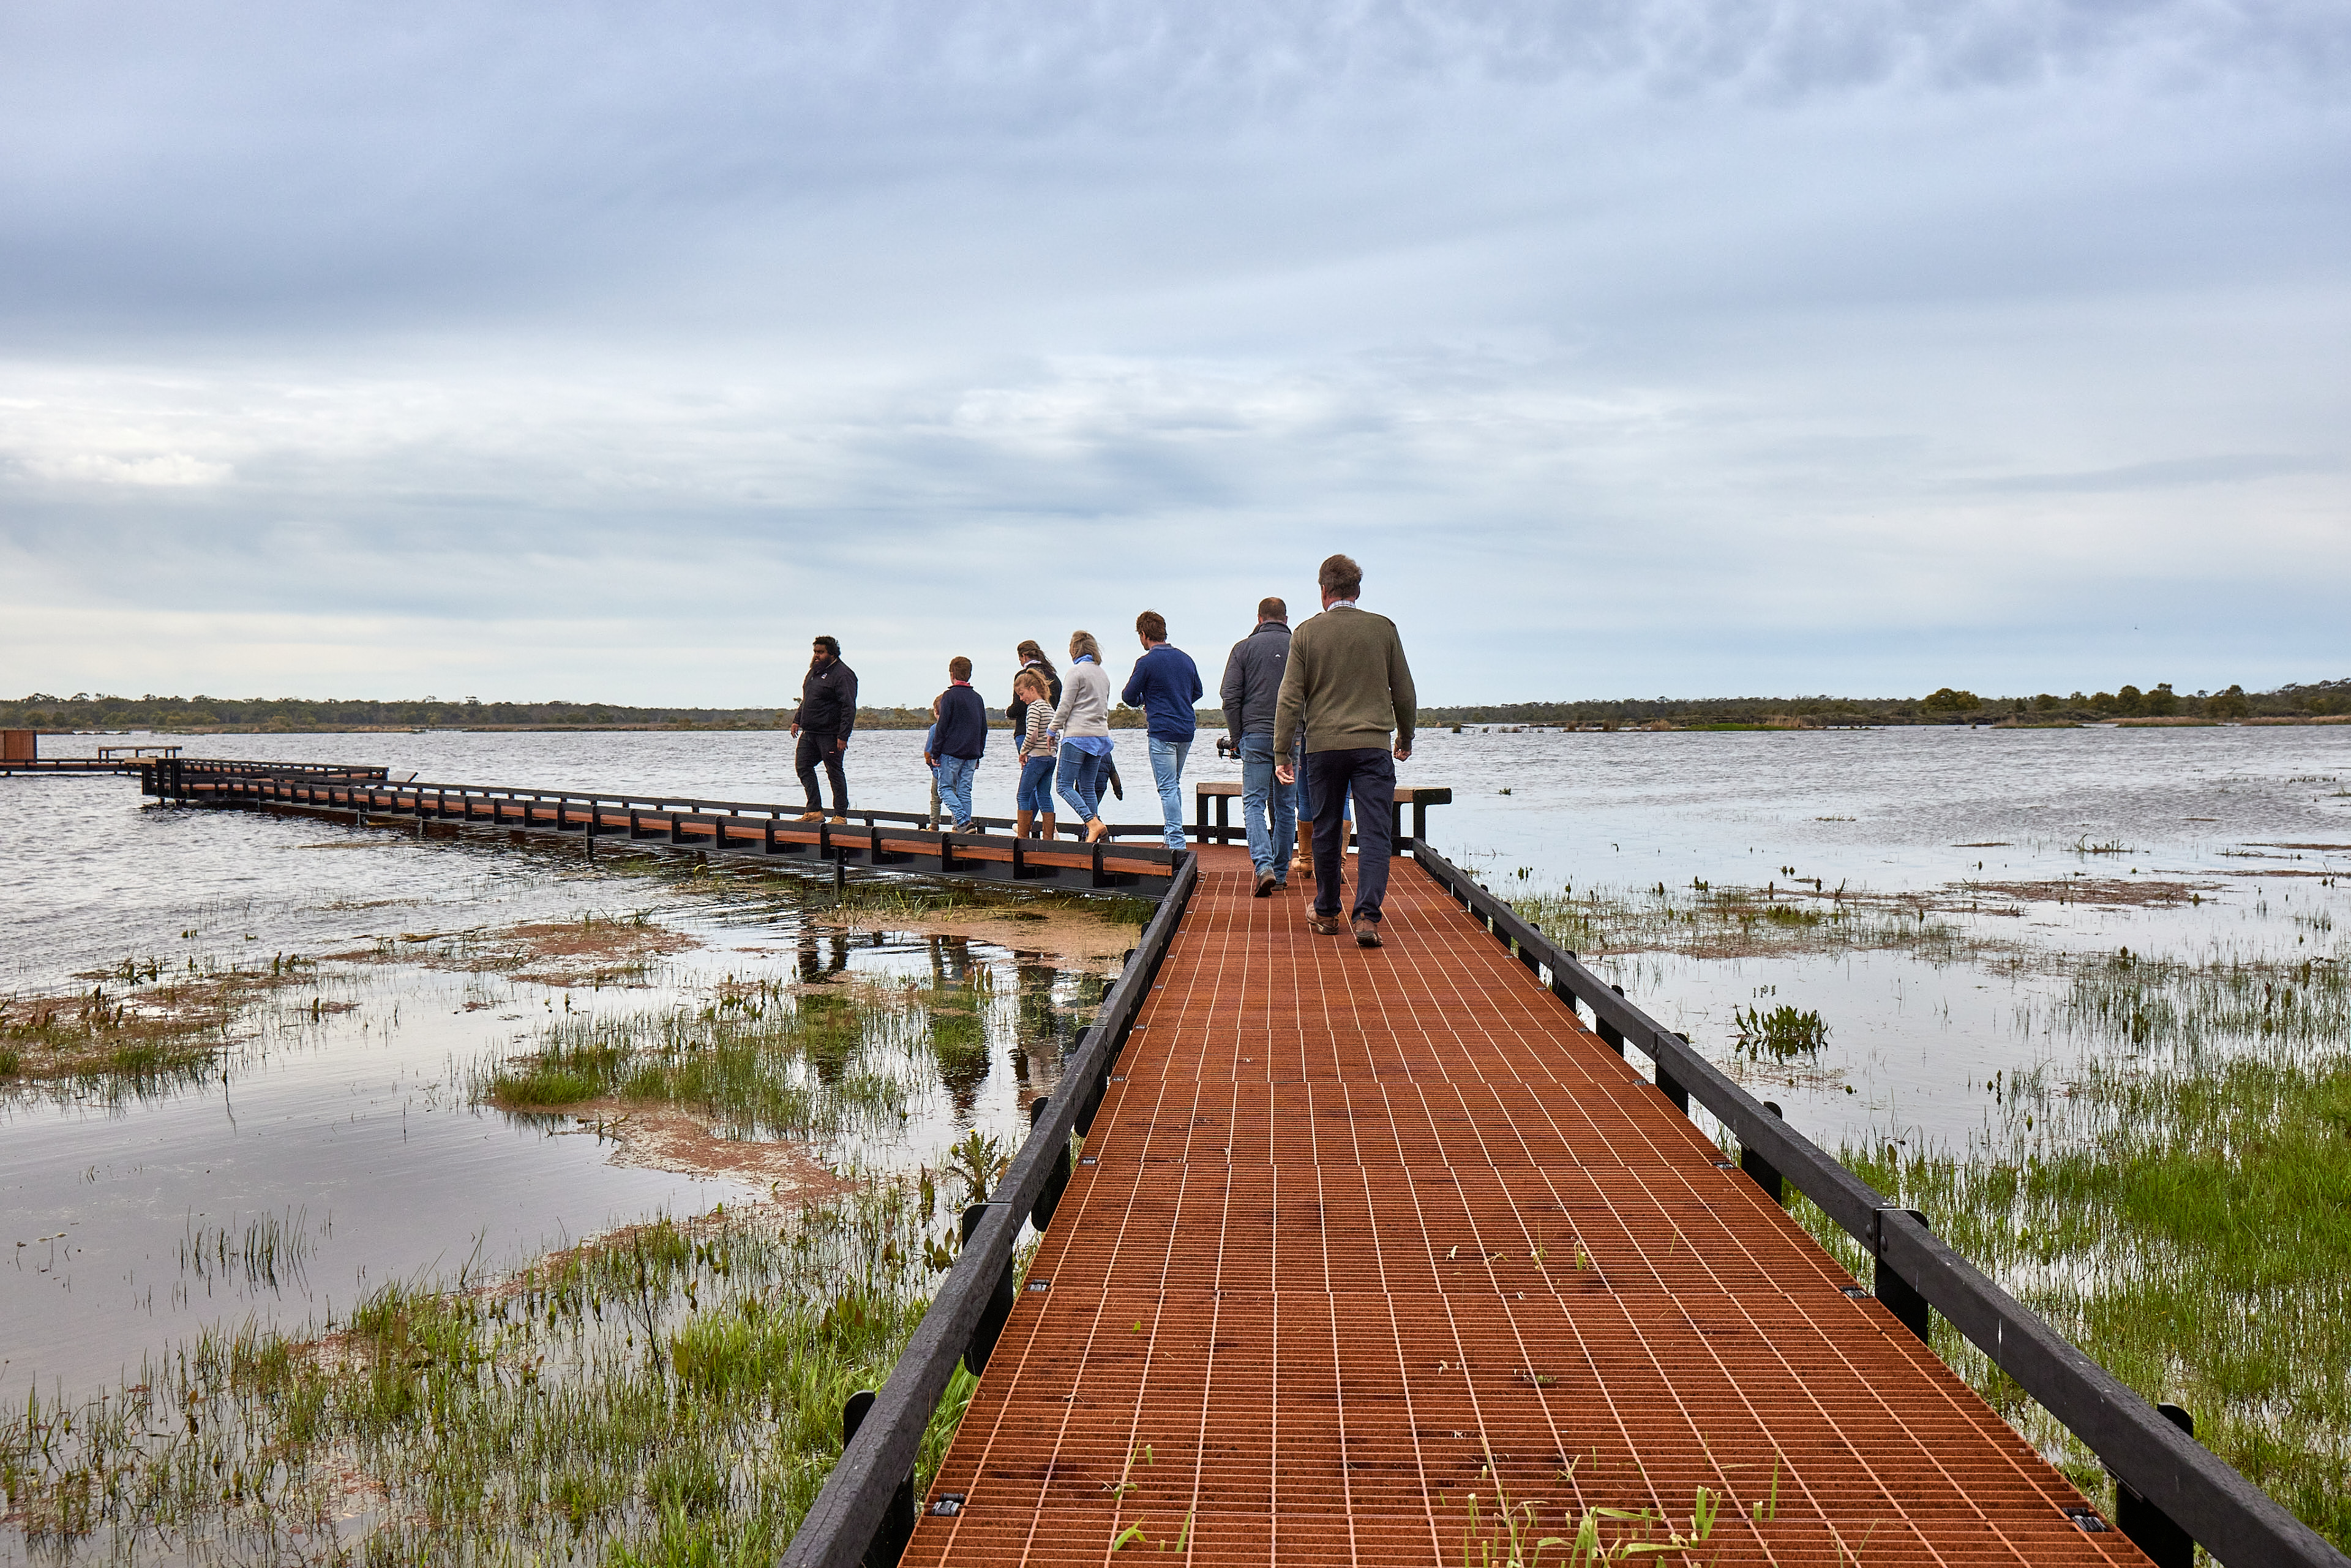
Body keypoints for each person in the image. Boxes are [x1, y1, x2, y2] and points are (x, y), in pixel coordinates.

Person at [1274, 554, 1415, 948]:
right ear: (1357, 590)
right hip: (1373, 746)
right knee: (1375, 833)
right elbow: (1403, 691)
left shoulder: (1304, 634)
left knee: (1326, 827)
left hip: (1323, 748)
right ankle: (1368, 917)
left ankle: (1327, 910)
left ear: (1323, 591)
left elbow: (1289, 698)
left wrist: (1281, 753)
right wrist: (1406, 735)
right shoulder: (1383, 629)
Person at [1220, 597, 1295, 896]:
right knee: (1286, 806)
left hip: (1254, 736)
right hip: (1292, 738)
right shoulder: (1299, 647)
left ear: (1259, 618)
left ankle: (1263, 867)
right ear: (1286, 618)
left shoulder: (1243, 649)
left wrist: (1237, 738)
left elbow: (1229, 697)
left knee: (1253, 804)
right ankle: (1280, 872)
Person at [1121, 610, 1202, 852]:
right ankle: (1170, 837)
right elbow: (1197, 692)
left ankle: (1176, 844)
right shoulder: (1186, 659)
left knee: (1167, 787)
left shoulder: (1146, 662)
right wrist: (1177, 698)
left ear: (1144, 634)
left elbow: (1128, 696)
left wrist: (1147, 698)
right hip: (1186, 730)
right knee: (1173, 785)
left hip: (1162, 731)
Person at [1051, 630, 1116, 843]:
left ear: (1074, 649)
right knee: (1087, 787)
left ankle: (1092, 823)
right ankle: (1094, 836)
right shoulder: (1103, 674)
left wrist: (1052, 730)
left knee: (1063, 785)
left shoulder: (1076, 672)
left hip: (1078, 736)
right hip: (1100, 737)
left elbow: (1065, 706)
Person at [790, 635, 857, 822]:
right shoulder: (814, 672)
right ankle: (814, 811)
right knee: (803, 766)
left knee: (834, 771)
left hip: (831, 734)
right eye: (815, 652)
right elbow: (808, 699)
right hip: (810, 733)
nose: (817, 655)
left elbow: (849, 707)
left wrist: (843, 736)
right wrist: (797, 720)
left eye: (821, 652)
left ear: (832, 654)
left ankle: (840, 815)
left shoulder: (843, 674)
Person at [929, 657, 988, 833]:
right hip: (971, 753)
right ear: (969, 674)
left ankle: (963, 822)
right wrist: (979, 753)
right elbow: (983, 728)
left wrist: (935, 752)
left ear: (952, 674)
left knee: (945, 789)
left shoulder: (949, 697)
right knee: (964, 791)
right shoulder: (977, 698)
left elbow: (943, 726)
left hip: (951, 753)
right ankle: (964, 831)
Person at [1012, 668, 1058, 840]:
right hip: (1050, 758)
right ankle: (1048, 839)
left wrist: (1023, 752)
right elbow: (1056, 734)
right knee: (1044, 795)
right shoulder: (1049, 707)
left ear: (1032, 689)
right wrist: (1052, 751)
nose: (1021, 698)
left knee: (1023, 795)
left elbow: (1032, 734)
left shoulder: (1033, 708)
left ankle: (1023, 838)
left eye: (1022, 694)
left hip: (1037, 757)